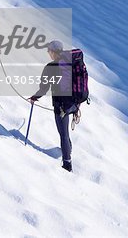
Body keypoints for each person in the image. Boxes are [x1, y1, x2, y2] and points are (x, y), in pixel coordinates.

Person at [30, 40, 78, 172]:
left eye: (49, 51)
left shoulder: (50, 67)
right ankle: (68, 148)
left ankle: (67, 164)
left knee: (63, 134)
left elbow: (44, 88)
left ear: (53, 52)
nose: (48, 53)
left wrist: (34, 97)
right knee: (65, 133)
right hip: (73, 104)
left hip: (61, 106)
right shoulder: (71, 62)